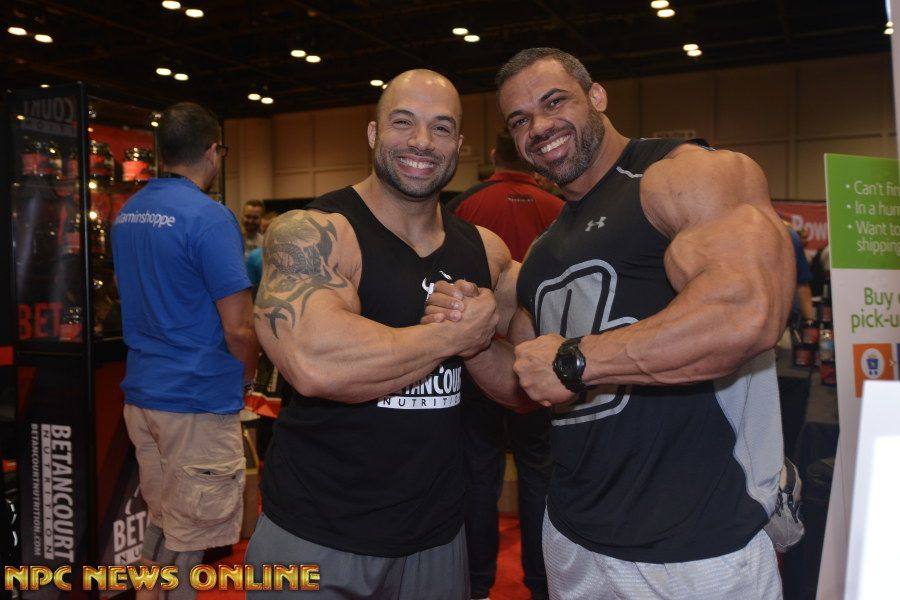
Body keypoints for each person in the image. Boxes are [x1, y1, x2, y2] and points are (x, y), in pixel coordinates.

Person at [426, 48, 794, 599]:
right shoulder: (548, 247)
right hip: (574, 535)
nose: (539, 127)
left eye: (555, 102)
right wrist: (470, 338)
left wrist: (576, 361)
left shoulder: (683, 175)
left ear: (596, 96)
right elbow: (527, 382)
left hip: (696, 544)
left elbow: (747, 313)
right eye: (520, 120)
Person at [245, 69, 522, 600]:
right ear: (373, 133)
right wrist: (455, 336)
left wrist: (481, 344)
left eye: (441, 128)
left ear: (458, 145)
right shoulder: (317, 232)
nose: (422, 141)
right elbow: (316, 364)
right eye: (403, 122)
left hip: (437, 537)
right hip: (317, 533)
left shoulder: (484, 251)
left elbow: (522, 383)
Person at [111, 102, 258, 600]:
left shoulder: (129, 212)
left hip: (144, 397)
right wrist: (245, 379)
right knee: (189, 543)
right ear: (213, 151)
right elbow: (240, 328)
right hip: (195, 400)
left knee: (164, 521)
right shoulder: (209, 217)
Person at [449, 130, 562, 600]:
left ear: (494, 154)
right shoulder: (560, 208)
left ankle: (476, 586)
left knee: (479, 473)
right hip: (542, 361)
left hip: (479, 360)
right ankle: (541, 585)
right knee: (539, 472)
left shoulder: (464, 205)